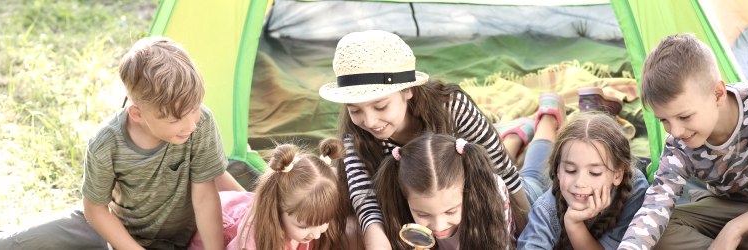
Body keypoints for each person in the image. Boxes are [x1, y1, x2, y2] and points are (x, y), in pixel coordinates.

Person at [0, 36, 245, 249]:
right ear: (137, 114)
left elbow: (205, 196)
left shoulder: (200, 124)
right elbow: (95, 210)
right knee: (7, 245)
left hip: (184, 234)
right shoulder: (106, 144)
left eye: (195, 108)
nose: (191, 124)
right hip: (115, 230)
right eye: (177, 118)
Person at [317, 30, 530, 248]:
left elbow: (504, 172)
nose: (370, 121)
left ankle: (537, 125)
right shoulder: (355, 135)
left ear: (408, 91)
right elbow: (365, 201)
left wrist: (528, 232)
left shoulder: (452, 108)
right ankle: (515, 132)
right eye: (355, 110)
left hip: (478, 192)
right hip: (425, 212)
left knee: (528, 176)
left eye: (380, 106)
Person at [618, 34, 748, 249]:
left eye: (685, 116)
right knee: (657, 233)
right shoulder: (678, 145)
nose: (676, 131)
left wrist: (734, 229)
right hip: (722, 208)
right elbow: (655, 206)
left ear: (717, 94)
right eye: (664, 120)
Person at [518, 112, 648, 249]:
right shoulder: (545, 209)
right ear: (557, 170)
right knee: (531, 177)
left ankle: (546, 119)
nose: (580, 182)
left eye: (594, 173)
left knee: (532, 174)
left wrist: (574, 224)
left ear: (617, 175)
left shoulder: (634, 189)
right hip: (529, 193)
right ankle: (544, 119)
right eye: (570, 170)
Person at [188, 139, 349, 250]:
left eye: (324, 221)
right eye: (303, 226)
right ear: (277, 209)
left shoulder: (308, 224)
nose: (315, 233)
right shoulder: (252, 240)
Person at [375, 133, 514, 249]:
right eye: (422, 214)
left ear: (468, 193)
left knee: (530, 172)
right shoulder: (395, 203)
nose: (439, 226)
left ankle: (517, 137)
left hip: (518, 195)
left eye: (450, 211)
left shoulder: (492, 195)